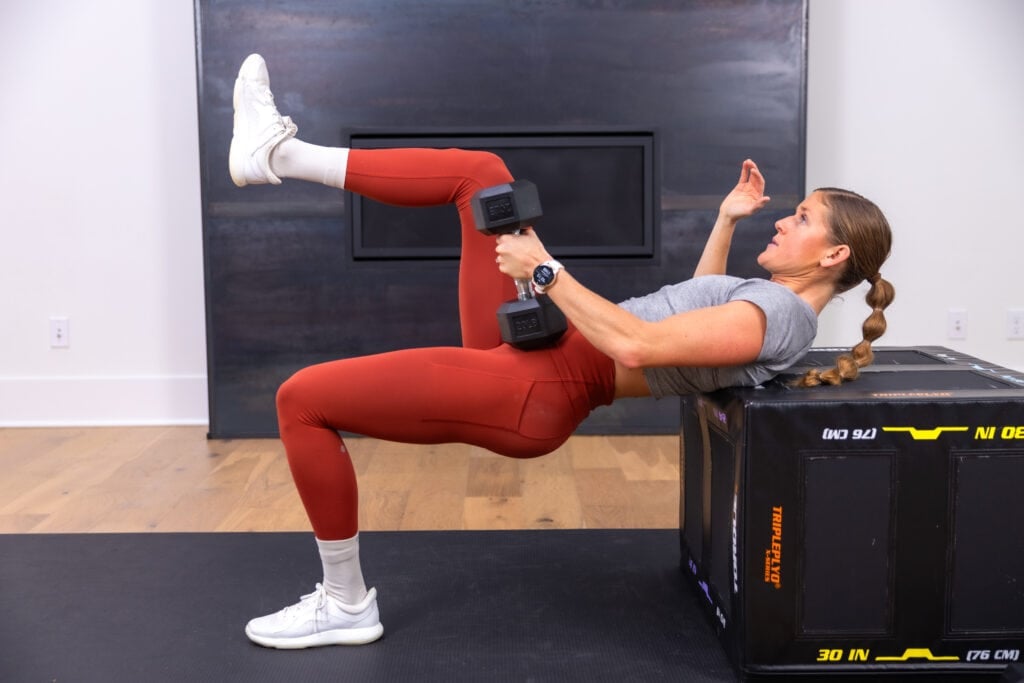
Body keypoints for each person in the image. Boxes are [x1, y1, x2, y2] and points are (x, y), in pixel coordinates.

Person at [228, 54, 894, 649]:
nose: (784, 218)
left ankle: (344, 602)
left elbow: (642, 344)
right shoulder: (771, 305)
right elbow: (699, 305)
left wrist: (545, 268)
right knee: (481, 177)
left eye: (801, 217)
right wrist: (725, 218)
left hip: (539, 389)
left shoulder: (779, 316)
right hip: (540, 353)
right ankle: (278, 156)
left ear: (835, 254)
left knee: (300, 399)